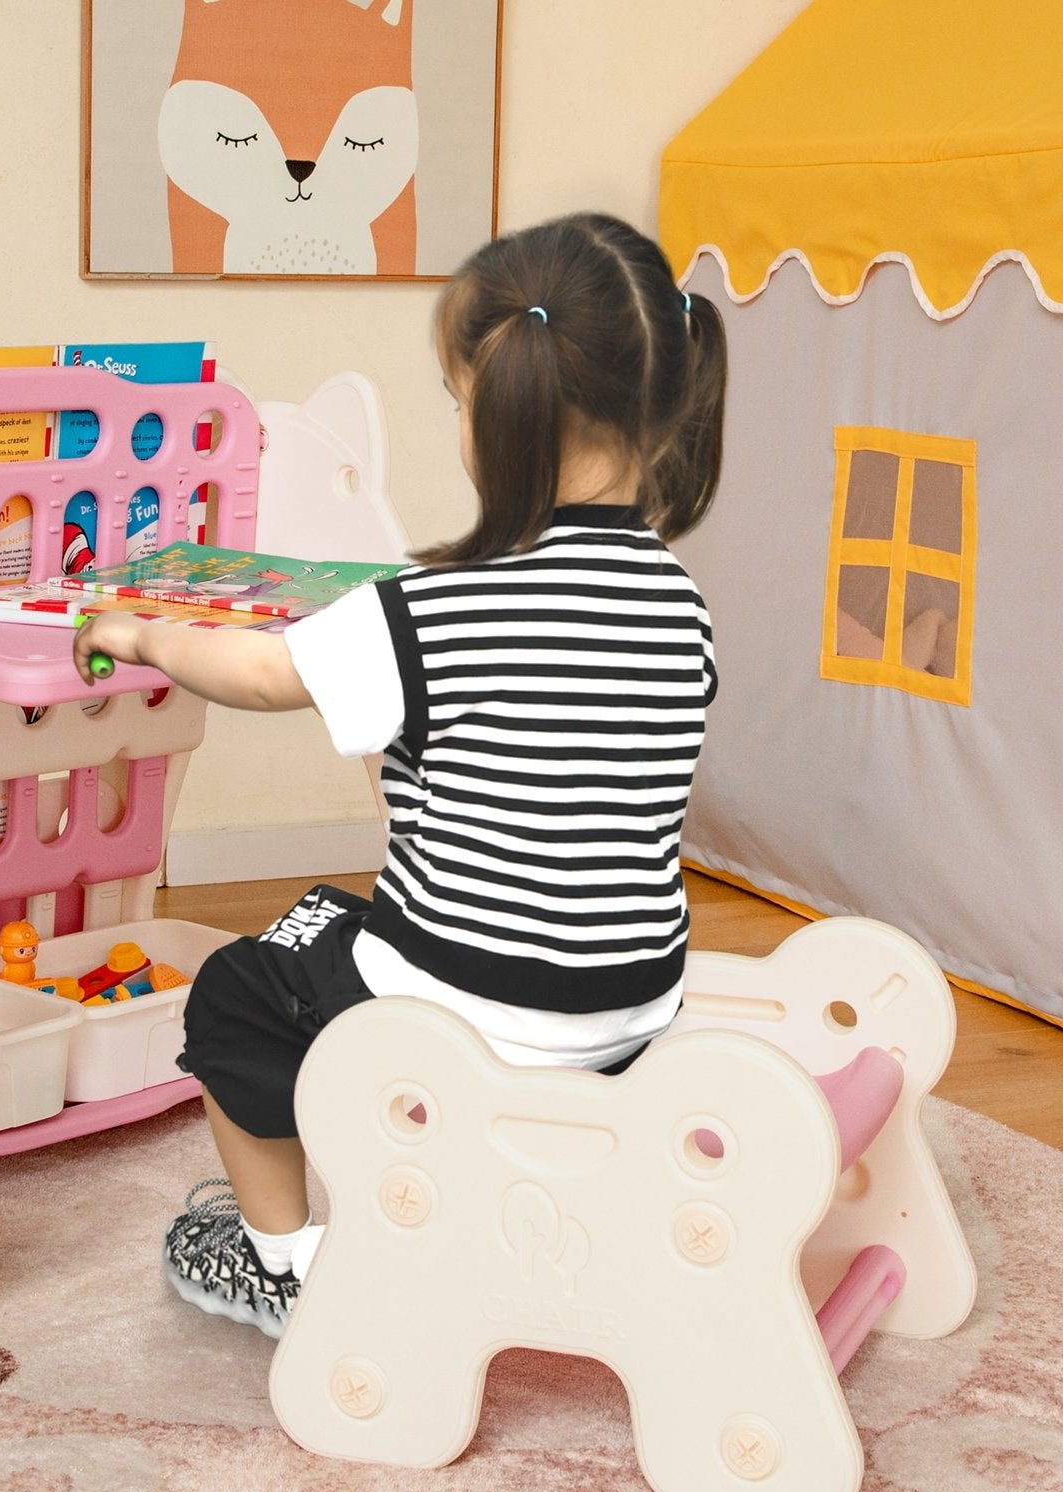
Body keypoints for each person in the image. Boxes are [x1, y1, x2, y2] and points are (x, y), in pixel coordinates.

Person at [73, 212, 727, 1339]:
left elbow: (261, 670)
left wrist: (140, 635)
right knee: (330, 917)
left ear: (494, 407)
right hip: (629, 1007)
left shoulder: (441, 608)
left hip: (465, 1003)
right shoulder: (680, 604)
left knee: (239, 993)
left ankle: (280, 1265)